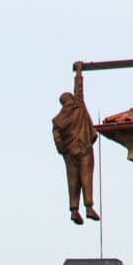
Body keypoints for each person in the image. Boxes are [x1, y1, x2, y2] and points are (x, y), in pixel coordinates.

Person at [52, 63, 101, 225]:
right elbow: (79, 89)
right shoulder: (78, 105)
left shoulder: (59, 117)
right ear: (71, 98)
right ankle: (88, 207)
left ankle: (74, 210)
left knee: (73, 181)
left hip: (69, 152)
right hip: (84, 148)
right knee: (86, 177)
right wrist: (79, 72)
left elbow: (56, 133)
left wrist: (62, 148)